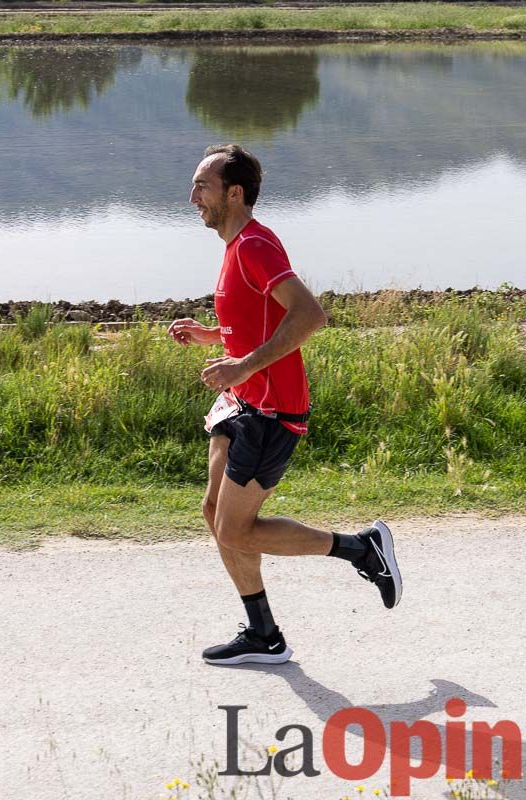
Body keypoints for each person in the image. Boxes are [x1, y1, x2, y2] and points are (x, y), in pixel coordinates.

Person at [168, 144, 402, 666]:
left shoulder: (254, 245)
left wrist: (244, 366)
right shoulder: (235, 247)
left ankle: (362, 549)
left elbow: (310, 314)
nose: (192, 198)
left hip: (273, 411)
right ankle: (263, 634)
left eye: (201, 187)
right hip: (243, 401)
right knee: (213, 511)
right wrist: (211, 337)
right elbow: (255, 322)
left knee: (234, 528)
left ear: (235, 193)